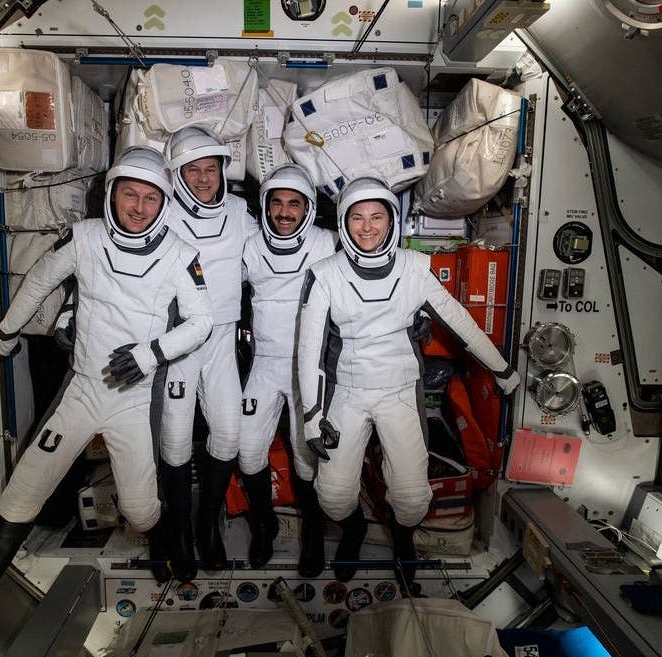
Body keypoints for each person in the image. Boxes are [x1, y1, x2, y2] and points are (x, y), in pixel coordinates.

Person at [0, 146, 212, 650]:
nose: (139, 207)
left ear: (164, 203)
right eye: (130, 195)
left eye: (150, 198)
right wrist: (7, 330)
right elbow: (41, 278)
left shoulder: (180, 254)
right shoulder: (84, 237)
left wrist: (151, 354)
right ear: (112, 194)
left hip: (133, 397)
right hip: (81, 389)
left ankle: (165, 536)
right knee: (24, 488)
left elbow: (202, 321)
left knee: (139, 510)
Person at [296, 177, 519, 589]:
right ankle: (354, 530)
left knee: (413, 499)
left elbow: (459, 321)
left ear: (391, 220)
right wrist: (312, 417)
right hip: (346, 394)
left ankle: (402, 541)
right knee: (333, 498)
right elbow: (308, 352)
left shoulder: (415, 268)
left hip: (399, 392)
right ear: (344, 222)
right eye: (357, 217)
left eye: (376, 216)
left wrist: (502, 369)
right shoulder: (324, 275)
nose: (367, 227)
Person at [158, 126, 258, 580]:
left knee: (230, 435)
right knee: (176, 440)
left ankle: (207, 521)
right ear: (177, 174)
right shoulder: (161, 212)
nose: (202, 179)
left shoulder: (237, 211)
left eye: (210, 169)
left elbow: (269, 254)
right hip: (179, 340)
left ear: (222, 170)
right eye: (192, 170)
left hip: (222, 337)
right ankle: (179, 531)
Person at [239, 163, 337, 574]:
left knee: (305, 458)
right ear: (265, 206)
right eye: (276, 203)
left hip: (307, 369)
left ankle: (313, 533)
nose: (284, 212)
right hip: (263, 365)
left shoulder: (328, 243)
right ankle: (265, 525)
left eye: (294, 204)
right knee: (247, 453)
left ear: (308, 208)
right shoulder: (250, 246)